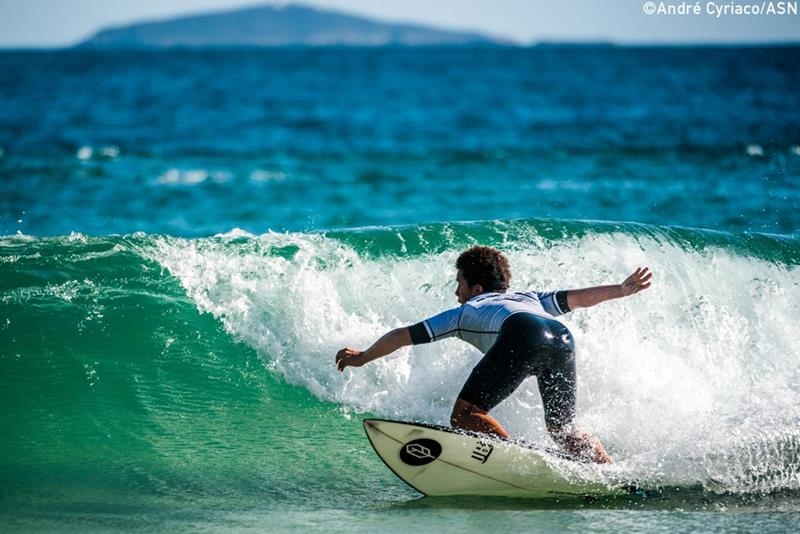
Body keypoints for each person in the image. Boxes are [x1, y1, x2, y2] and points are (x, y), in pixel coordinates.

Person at [335, 246, 652, 464]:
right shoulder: (529, 296)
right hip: (562, 339)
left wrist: (363, 357)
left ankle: (512, 461)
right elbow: (579, 299)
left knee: (464, 415)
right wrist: (621, 290)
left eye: (459, 284)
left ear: (475, 288)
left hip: (523, 333)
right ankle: (609, 472)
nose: (456, 293)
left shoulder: (466, 310)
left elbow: (402, 336)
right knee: (562, 428)